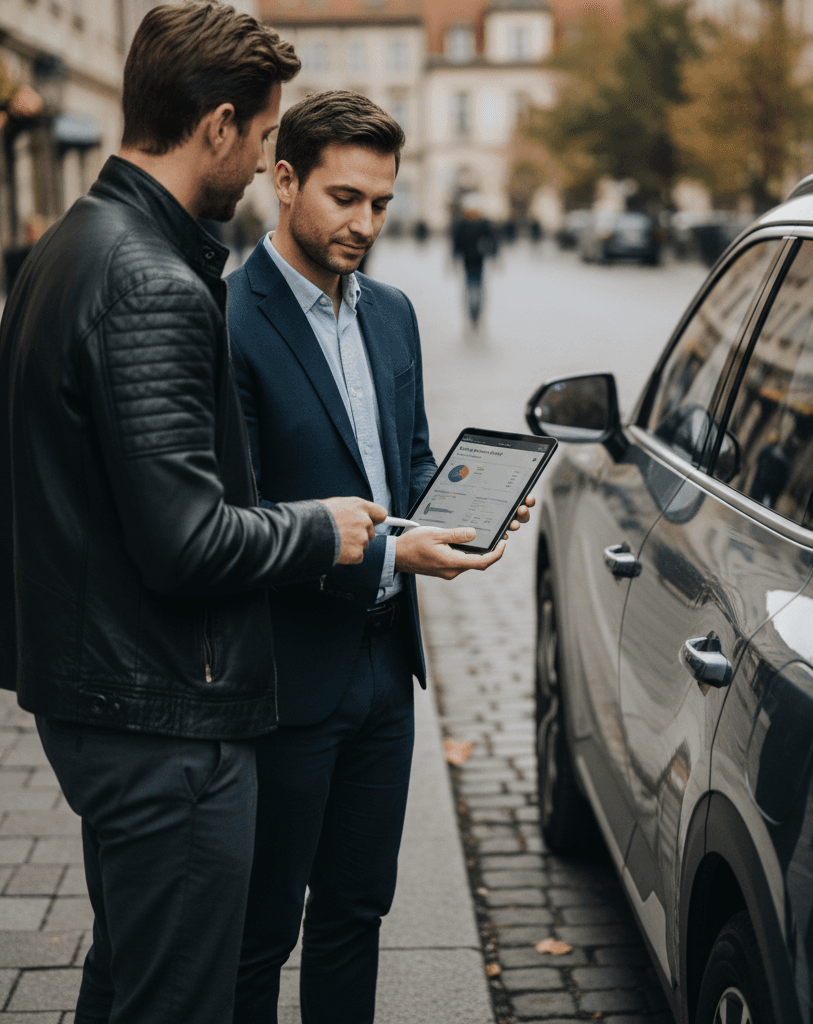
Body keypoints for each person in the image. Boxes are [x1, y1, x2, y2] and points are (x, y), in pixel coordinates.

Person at [0, 7, 387, 1024]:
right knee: (183, 999)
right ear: (217, 125)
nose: (264, 164)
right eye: (264, 139)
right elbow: (185, 538)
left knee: (130, 980)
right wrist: (322, 528)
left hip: (99, 690)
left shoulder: (64, 246)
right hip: (163, 715)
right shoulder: (152, 282)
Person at [226, 90, 532, 1024]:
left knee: (359, 911)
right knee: (260, 930)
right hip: (284, 678)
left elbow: (402, 461)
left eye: (382, 204)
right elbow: (240, 520)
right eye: (345, 198)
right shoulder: (229, 320)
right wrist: (396, 559)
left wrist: (462, 506)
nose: (365, 224)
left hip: (384, 667)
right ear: (285, 180)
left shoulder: (393, 313)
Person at [451, 193, 497, 325]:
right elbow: (456, 243)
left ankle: (477, 311)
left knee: (478, 288)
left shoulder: (484, 224)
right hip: (467, 262)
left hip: (479, 262)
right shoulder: (461, 225)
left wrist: (492, 253)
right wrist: (453, 258)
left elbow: (492, 241)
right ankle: (472, 312)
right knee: (469, 289)